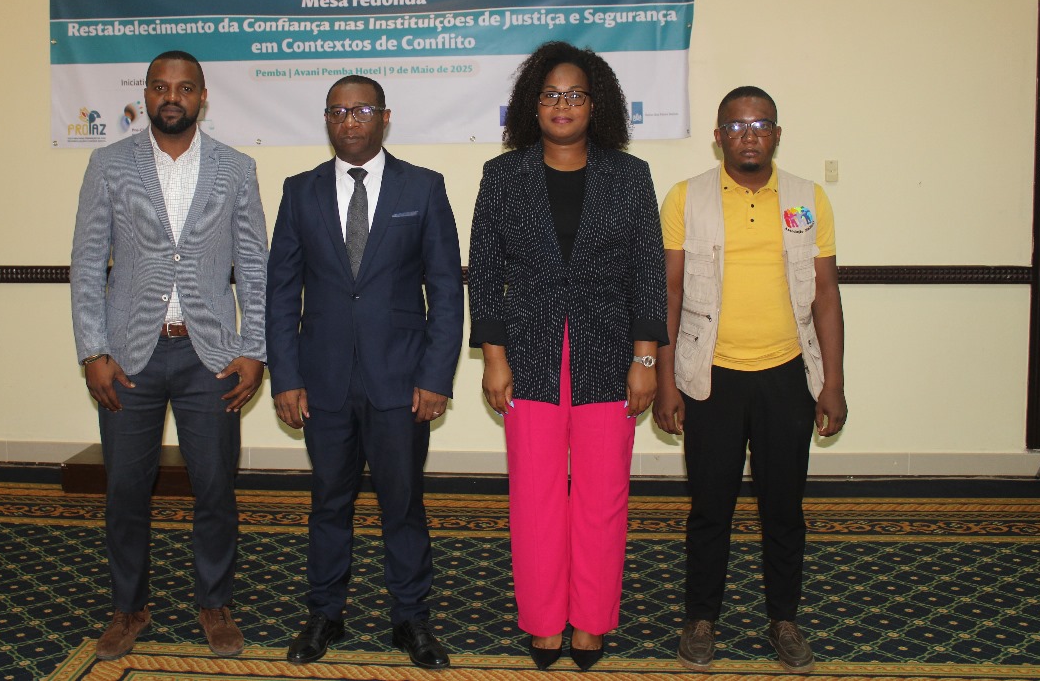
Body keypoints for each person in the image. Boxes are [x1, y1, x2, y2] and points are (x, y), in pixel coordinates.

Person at [467, 41, 668, 671]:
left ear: (595, 104)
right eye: (551, 94)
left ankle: (591, 621)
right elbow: (486, 272)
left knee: (602, 499)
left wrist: (645, 360)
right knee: (536, 498)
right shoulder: (503, 176)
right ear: (533, 104)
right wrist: (493, 358)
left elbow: (648, 271)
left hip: (609, 354)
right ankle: (544, 621)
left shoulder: (629, 176)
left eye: (576, 94)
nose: (563, 105)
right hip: (527, 356)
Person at [70, 50, 268, 661]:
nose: (172, 97)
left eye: (184, 88)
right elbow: (87, 263)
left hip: (212, 358)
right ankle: (128, 607)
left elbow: (254, 266)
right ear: (147, 95)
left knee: (215, 488)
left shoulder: (236, 168)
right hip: (129, 357)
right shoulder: (108, 165)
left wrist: (254, 348)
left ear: (203, 96)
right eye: (160, 87)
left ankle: (214, 603)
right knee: (126, 491)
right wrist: (93, 349)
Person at [266, 75, 464, 670]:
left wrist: (436, 376)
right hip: (322, 380)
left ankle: (411, 618)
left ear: (385, 117)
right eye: (337, 111)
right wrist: (285, 377)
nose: (349, 121)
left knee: (403, 504)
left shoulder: (423, 187)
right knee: (329, 503)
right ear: (326, 120)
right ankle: (324, 612)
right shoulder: (299, 191)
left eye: (362, 110)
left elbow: (445, 290)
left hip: (401, 382)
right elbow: (282, 292)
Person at [654, 86, 846, 674]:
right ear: (718, 137)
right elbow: (669, 292)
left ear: (777, 134)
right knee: (710, 507)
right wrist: (666, 382)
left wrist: (833, 383)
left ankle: (784, 619)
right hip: (710, 377)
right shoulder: (686, 197)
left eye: (761, 124)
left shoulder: (808, 198)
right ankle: (701, 618)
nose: (750, 135)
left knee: (783, 508)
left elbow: (826, 295)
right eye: (736, 126)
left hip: (787, 375)